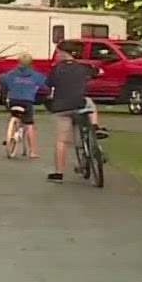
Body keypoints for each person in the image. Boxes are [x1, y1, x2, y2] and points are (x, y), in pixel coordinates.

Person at [46, 43, 105, 182]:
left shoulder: (56, 69)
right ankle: (95, 127)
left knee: (61, 141)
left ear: (64, 53)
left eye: (58, 52)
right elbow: (100, 72)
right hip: (79, 104)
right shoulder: (84, 67)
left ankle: (59, 173)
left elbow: (49, 84)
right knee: (90, 104)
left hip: (61, 107)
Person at [0, 53, 47, 158]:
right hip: (27, 101)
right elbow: (45, 82)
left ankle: (11, 133)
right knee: (29, 125)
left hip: (13, 101)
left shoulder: (11, 74)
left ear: (18, 62)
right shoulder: (35, 75)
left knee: (13, 115)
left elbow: (0, 79)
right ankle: (32, 152)